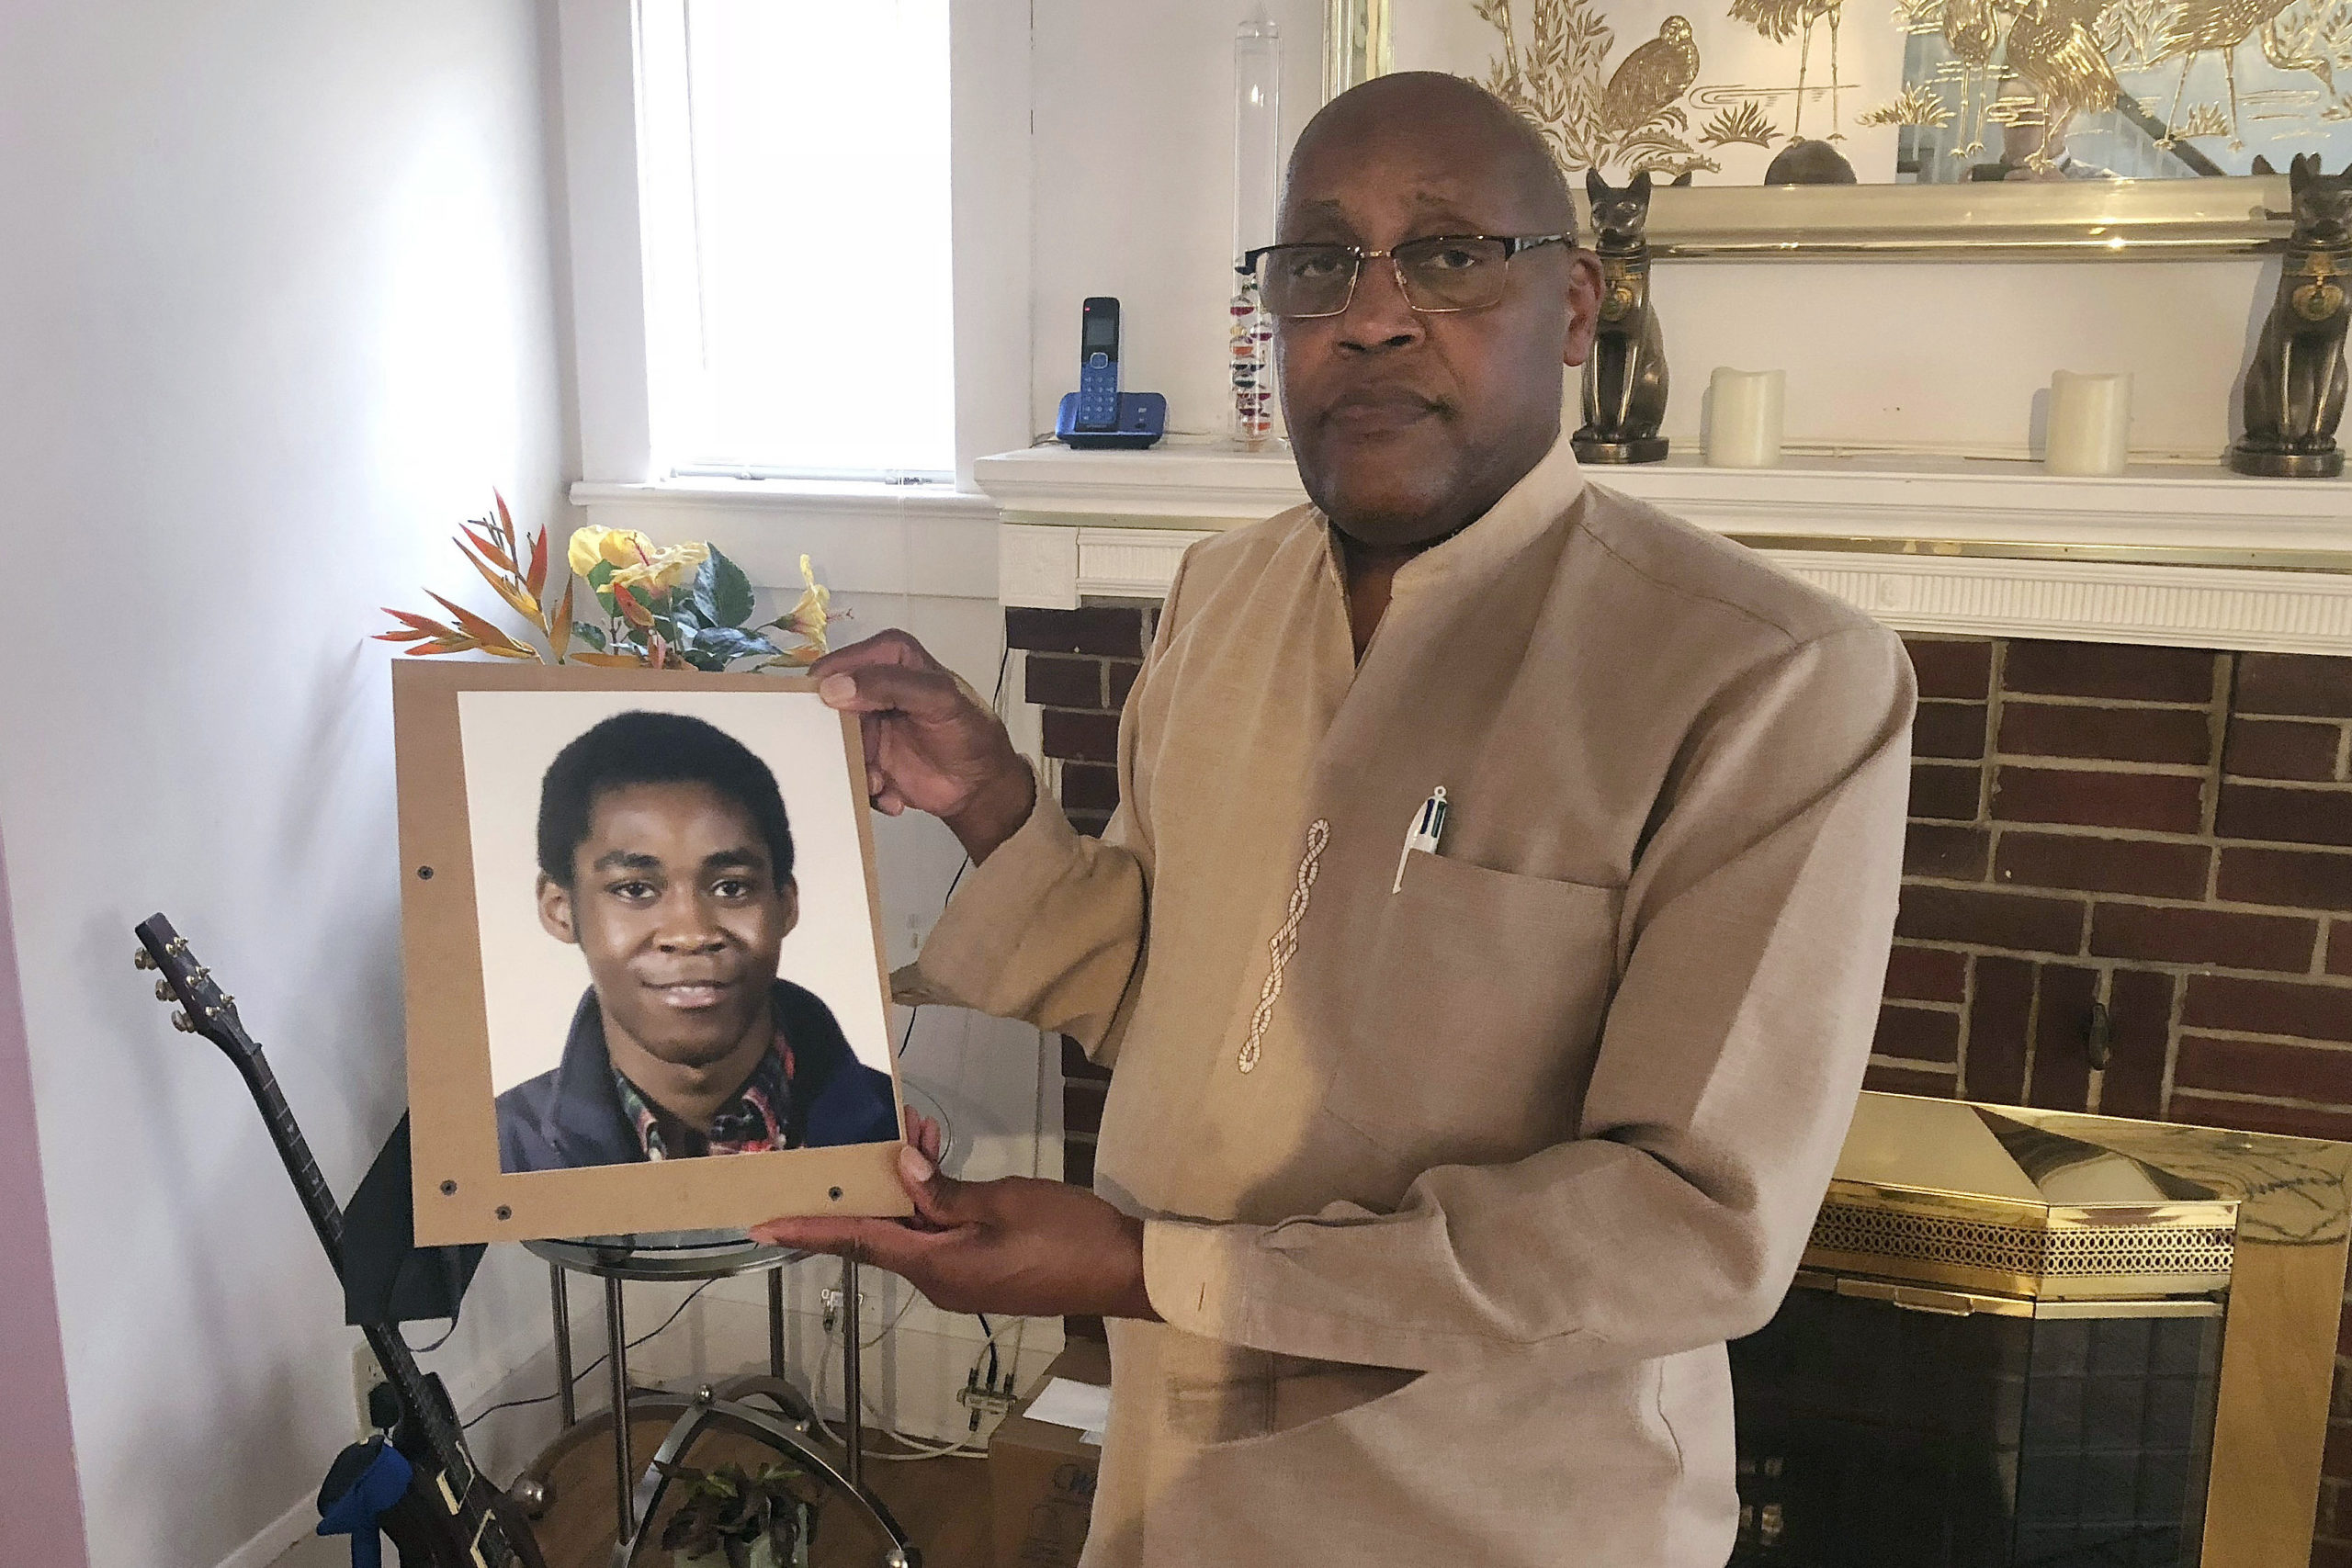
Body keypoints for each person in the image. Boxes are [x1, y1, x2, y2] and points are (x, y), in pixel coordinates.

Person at [754, 71, 1915, 1567]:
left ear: (1575, 309)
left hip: (1500, 1516)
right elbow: (1176, 1002)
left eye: (1446, 252)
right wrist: (991, 803)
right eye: (1317, 261)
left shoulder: (1763, 675)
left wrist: (1148, 1267)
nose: (1370, 313)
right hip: (1179, 1493)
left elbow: (1686, 1224)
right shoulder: (1220, 596)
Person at [496, 709, 899, 1173]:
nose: (690, 934)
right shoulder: (499, 1152)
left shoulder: (895, 1128)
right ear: (560, 909)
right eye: (635, 889)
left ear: (786, 904)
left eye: (731, 887)